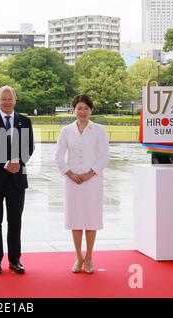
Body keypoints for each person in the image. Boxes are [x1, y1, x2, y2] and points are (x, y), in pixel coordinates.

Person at [0, 86, 34, 275]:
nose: (7, 102)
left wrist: (18, 162)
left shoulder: (24, 121)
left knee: (15, 221)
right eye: (4, 99)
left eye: (10, 98)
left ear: (15, 100)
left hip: (17, 179)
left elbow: (29, 147)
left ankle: (15, 260)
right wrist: (5, 163)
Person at [55, 94, 109, 274]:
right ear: (73, 110)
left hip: (93, 181)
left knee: (91, 220)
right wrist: (69, 173)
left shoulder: (99, 130)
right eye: (79, 108)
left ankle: (90, 257)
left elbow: (104, 156)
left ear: (91, 110)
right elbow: (58, 156)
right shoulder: (66, 131)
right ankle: (78, 257)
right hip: (72, 182)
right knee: (76, 220)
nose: (83, 111)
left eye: (86, 108)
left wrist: (90, 173)